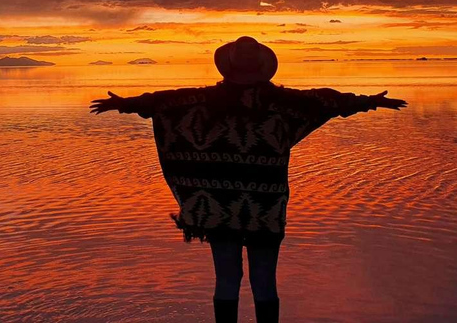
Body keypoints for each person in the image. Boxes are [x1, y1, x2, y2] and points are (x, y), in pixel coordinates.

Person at [90, 36, 407, 323]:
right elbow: (327, 101)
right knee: (264, 279)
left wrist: (125, 104)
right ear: (262, 67)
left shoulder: (203, 101)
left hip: (217, 206)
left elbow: (163, 102)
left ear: (228, 67)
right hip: (265, 205)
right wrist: (370, 101)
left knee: (227, 278)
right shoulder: (283, 104)